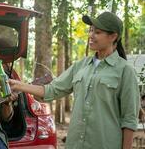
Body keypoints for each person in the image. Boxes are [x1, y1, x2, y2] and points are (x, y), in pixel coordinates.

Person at [9, 11, 140, 149]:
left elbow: (129, 120)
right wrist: (18, 85)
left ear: (113, 36)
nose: (91, 36)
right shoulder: (80, 66)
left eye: (98, 32)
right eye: (90, 31)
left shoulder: (125, 71)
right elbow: (51, 90)